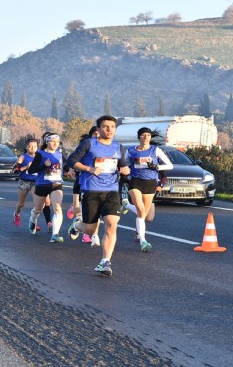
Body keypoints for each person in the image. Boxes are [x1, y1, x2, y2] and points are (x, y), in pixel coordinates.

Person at [67, 115, 130, 276]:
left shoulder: (119, 148)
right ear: (99, 129)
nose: (109, 130)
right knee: (90, 229)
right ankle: (77, 226)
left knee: (111, 224)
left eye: (112, 127)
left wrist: (125, 171)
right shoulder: (89, 144)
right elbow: (71, 160)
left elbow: (123, 167)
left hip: (111, 191)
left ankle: (105, 262)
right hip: (91, 190)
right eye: (105, 127)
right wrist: (89, 169)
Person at [121, 127, 173, 251]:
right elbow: (122, 163)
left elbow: (170, 165)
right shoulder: (131, 151)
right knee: (140, 209)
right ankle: (143, 241)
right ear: (139, 137)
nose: (146, 137)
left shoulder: (155, 150)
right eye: (143, 135)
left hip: (150, 183)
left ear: (150, 138)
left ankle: (127, 205)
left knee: (144, 213)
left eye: (148, 135)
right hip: (135, 182)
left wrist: (156, 166)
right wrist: (123, 171)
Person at [27, 133, 68, 243]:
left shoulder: (60, 153)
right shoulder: (40, 154)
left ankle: (55, 234)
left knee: (57, 208)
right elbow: (31, 170)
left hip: (56, 184)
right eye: (52, 141)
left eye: (57, 142)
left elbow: (67, 165)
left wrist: (70, 170)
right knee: (38, 209)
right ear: (47, 142)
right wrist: (44, 165)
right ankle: (33, 219)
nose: (55, 143)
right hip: (42, 184)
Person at [67, 126, 101, 247]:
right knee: (80, 210)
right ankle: (77, 223)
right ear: (91, 135)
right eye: (96, 134)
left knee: (95, 212)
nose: (98, 136)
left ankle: (93, 236)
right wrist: (71, 169)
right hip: (83, 183)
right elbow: (72, 159)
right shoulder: (85, 146)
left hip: (100, 186)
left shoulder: (107, 149)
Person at [13, 138, 38, 227]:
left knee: (37, 204)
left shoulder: (39, 157)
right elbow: (16, 170)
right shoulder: (22, 156)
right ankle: (17, 214)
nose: (32, 148)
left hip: (35, 182)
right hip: (24, 181)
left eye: (35, 147)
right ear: (26, 147)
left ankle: (33, 221)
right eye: (30, 146)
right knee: (21, 203)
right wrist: (27, 167)